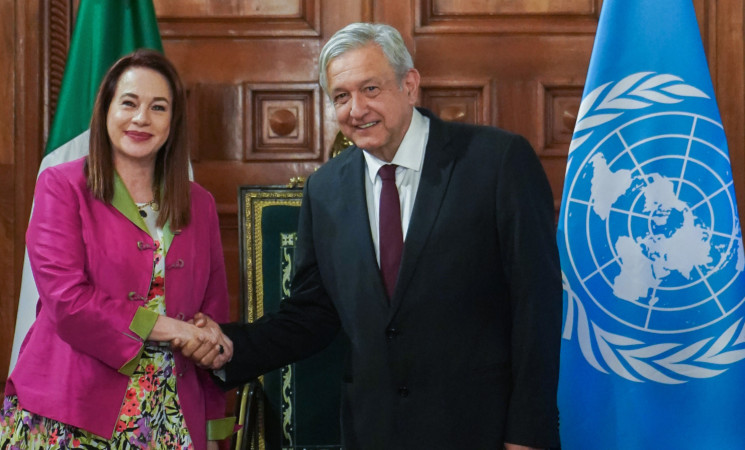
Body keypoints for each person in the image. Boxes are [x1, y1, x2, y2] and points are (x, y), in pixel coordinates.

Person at [193, 22, 562, 449]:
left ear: (409, 85)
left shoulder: (496, 162)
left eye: (371, 89)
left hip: (481, 430)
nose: (356, 109)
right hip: (374, 432)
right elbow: (311, 315)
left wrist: (528, 433)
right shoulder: (326, 189)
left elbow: (537, 307)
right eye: (341, 96)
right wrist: (229, 347)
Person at [0, 49, 234, 450]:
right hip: (68, 412)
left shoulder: (201, 203)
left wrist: (214, 350)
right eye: (128, 102)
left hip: (171, 415)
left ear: (173, 122)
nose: (141, 118)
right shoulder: (61, 186)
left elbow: (210, 314)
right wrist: (171, 328)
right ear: (105, 110)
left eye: (158, 107)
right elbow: (67, 302)